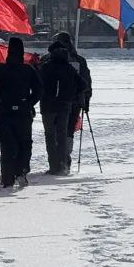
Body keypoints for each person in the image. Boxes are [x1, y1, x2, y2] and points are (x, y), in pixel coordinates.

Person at [0, 37, 42, 188]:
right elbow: (39, 90)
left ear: (8, 51)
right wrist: (29, 103)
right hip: (23, 112)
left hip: (3, 111)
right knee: (24, 143)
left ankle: (7, 178)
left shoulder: (0, 69)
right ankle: (22, 171)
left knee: (7, 145)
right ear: (22, 52)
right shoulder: (28, 70)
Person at [38, 45, 85, 174]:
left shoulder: (46, 67)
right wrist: (72, 95)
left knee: (50, 136)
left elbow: (37, 84)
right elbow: (82, 85)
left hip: (47, 107)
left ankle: (53, 166)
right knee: (62, 135)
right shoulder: (69, 68)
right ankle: (63, 165)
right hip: (64, 107)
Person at [49, 32, 92, 168]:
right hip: (75, 101)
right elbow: (86, 83)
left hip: (55, 101)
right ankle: (65, 158)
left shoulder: (50, 59)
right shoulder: (79, 60)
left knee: (55, 131)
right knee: (68, 131)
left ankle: (58, 161)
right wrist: (86, 101)